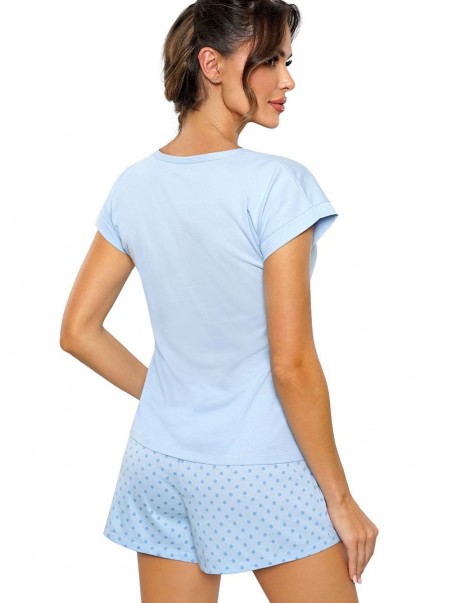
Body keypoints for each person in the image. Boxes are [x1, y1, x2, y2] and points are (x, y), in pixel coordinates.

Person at [60, 0, 379, 601]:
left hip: (158, 462)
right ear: (212, 65)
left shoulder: (134, 184)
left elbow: (79, 331)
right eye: (270, 61)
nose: (286, 80)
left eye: (287, 62)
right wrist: (340, 500)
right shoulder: (278, 185)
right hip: (261, 468)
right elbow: (292, 363)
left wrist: (172, 396)